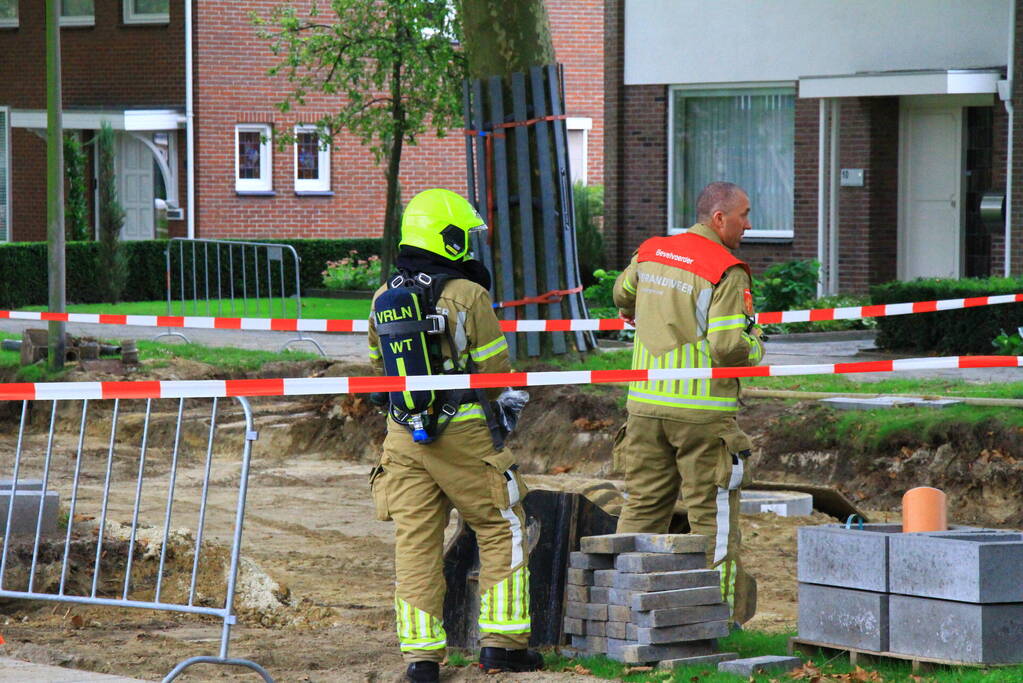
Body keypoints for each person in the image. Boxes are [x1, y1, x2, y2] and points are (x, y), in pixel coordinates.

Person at [367, 188, 543, 683]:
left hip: (402, 435)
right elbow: (495, 373)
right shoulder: (467, 295)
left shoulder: (384, 297)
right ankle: (502, 647)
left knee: (416, 541)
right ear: (444, 237)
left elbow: (379, 370)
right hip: (464, 433)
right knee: (500, 524)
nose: (467, 246)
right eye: (462, 236)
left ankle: (421, 660)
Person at [612, 181, 764, 625]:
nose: (748, 224)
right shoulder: (727, 269)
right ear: (719, 219)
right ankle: (715, 620)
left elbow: (622, 295)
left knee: (641, 509)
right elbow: (728, 347)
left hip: (643, 408)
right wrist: (758, 346)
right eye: (744, 215)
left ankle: (622, 611)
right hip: (702, 415)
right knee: (711, 520)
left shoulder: (652, 251)